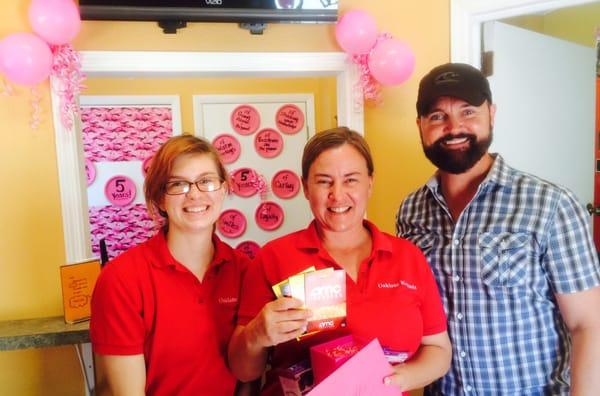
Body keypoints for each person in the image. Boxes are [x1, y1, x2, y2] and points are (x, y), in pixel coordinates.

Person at [396, 62, 600, 395]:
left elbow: (589, 325)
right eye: (437, 117)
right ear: (419, 125)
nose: (454, 127)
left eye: (468, 112)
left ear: (491, 113)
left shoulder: (551, 205)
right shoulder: (411, 211)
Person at [228, 127, 451, 395]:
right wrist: (256, 335)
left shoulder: (408, 257)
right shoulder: (272, 258)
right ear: (306, 188)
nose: (337, 194)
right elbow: (244, 371)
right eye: (324, 181)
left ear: (370, 182)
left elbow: (438, 350)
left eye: (350, 180)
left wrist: (395, 379)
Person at [90, 135, 249, 396]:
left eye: (206, 181)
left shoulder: (244, 270)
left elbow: (247, 377)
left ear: (223, 189)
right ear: (160, 199)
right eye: (178, 184)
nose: (195, 194)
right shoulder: (121, 279)